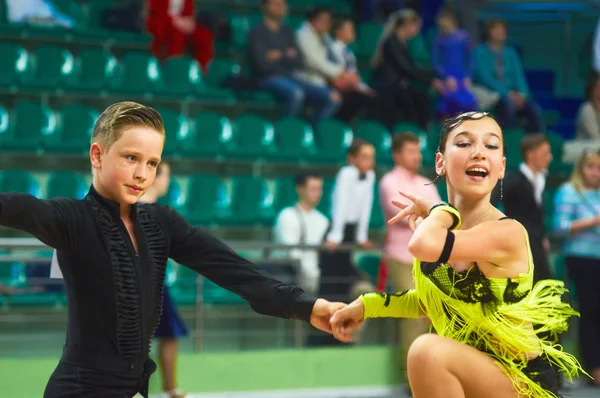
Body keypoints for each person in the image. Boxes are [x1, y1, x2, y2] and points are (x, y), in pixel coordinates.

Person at [0, 101, 344, 398]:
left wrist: (308, 306)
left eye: (151, 163)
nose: (141, 174)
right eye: (131, 158)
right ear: (97, 155)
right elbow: (19, 205)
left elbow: (232, 269)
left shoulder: (160, 222)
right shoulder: (71, 218)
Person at [330, 112, 584, 397]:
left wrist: (439, 209)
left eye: (491, 145)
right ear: (441, 162)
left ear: (501, 168)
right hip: (476, 372)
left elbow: (421, 245)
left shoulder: (507, 232)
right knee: (429, 349)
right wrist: (365, 306)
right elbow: (431, 300)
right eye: (464, 144)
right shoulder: (440, 230)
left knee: (427, 351)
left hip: (520, 381)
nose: (478, 153)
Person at [138, 162, 187, 398]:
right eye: (166, 175)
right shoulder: (143, 213)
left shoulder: (156, 211)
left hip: (155, 283)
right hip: (145, 285)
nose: (168, 180)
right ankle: (168, 388)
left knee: (166, 334)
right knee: (143, 338)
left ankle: (170, 388)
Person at [553, 148, 600, 387]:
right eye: (590, 167)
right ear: (581, 168)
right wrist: (593, 222)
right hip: (581, 259)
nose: (595, 173)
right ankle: (593, 366)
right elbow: (559, 227)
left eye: (599, 168)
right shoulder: (569, 191)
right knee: (590, 311)